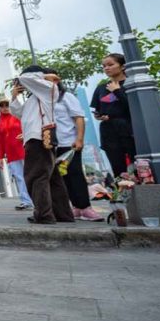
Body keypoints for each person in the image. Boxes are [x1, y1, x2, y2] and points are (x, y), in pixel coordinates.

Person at [11, 66, 74, 225]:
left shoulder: (49, 88)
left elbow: (26, 78)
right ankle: (62, 214)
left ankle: (44, 214)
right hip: (36, 138)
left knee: (36, 177)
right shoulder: (36, 96)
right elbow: (20, 114)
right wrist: (14, 97)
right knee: (52, 179)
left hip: (38, 139)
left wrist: (44, 76)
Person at [49, 68, 104, 221]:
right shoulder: (45, 100)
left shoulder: (66, 97)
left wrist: (79, 139)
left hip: (69, 143)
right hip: (54, 145)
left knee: (75, 174)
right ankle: (75, 207)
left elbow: (78, 118)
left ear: (56, 81)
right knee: (63, 177)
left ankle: (86, 207)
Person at [91, 53, 136, 177]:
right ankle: (123, 191)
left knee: (137, 165)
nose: (107, 68)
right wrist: (99, 116)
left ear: (122, 66)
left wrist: (117, 91)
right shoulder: (101, 88)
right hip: (109, 131)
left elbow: (133, 107)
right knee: (118, 168)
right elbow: (99, 109)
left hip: (129, 129)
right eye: (104, 66)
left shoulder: (131, 84)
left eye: (111, 65)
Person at [0, 98, 32, 210]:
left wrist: (25, 134)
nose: (4, 108)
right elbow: (0, 141)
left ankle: (36, 200)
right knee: (19, 177)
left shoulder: (18, 117)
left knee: (30, 175)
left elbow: (30, 128)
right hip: (11, 154)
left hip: (24, 150)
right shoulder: (0, 123)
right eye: (2, 106)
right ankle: (26, 201)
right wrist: (0, 157)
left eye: (7, 105)